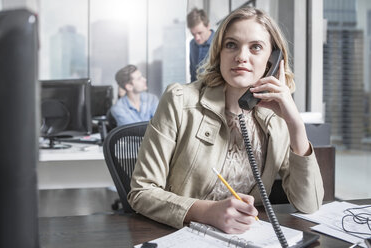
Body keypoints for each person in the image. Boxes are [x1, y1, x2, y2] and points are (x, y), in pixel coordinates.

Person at [128, 7, 324, 234]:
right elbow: (141, 192)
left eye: (256, 47)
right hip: (179, 235)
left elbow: (309, 205)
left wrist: (296, 125)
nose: (241, 56)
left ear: (273, 61)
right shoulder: (179, 101)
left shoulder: (276, 119)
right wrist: (206, 211)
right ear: (219, 52)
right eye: (231, 45)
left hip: (247, 237)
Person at [187, 8, 214, 82]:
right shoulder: (192, 43)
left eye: (200, 33)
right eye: (193, 34)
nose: (197, 38)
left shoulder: (219, 42)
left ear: (208, 26)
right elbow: (192, 71)